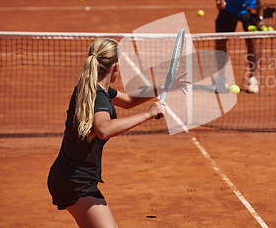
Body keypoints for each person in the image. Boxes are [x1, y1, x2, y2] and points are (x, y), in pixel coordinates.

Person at [47, 38, 189, 227]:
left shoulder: (90, 87)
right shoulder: (99, 98)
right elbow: (103, 129)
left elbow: (129, 100)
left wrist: (164, 87)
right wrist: (148, 114)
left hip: (68, 175)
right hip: (76, 182)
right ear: (115, 67)